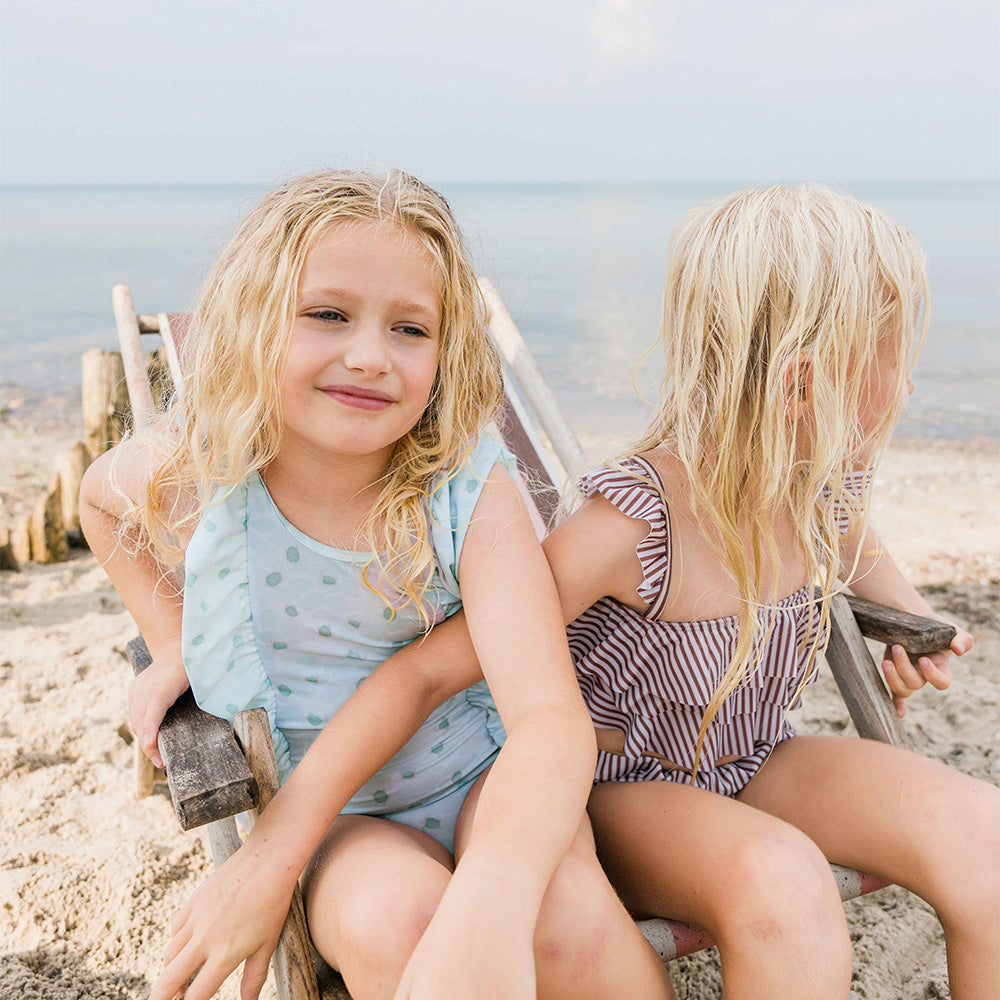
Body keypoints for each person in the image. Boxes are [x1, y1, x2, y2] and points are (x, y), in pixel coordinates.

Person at [79, 170, 674, 1000]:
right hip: (335, 819)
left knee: (569, 930)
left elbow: (547, 717)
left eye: (409, 329)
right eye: (327, 314)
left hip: (486, 781)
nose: (370, 355)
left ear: (445, 350)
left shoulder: (464, 486)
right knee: (398, 924)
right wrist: (174, 641)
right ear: (253, 321)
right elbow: (99, 504)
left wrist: (491, 902)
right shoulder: (205, 472)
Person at [541, 185, 1000, 999]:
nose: (910, 392)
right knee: (784, 883)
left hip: (754, 757)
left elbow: (859, 547)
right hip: (623, 794)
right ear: (799, 388)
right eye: (893, 361)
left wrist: (912, 618)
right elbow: (490, 644)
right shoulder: (632, 524)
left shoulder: (815, 486)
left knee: (982, 833)